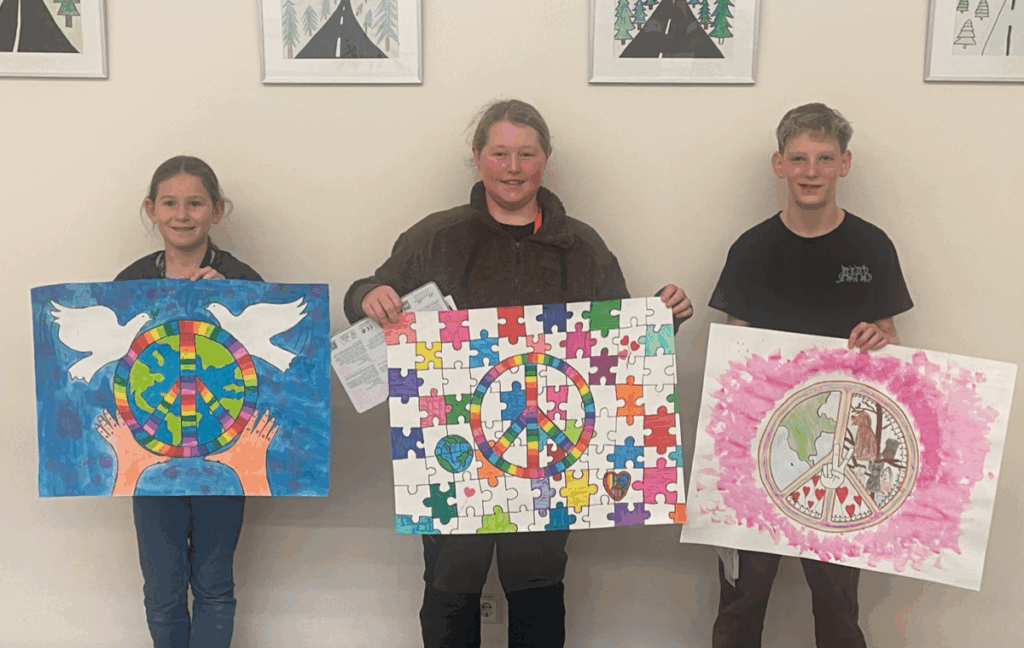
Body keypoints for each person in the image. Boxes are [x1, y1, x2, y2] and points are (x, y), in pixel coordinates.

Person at [344, 99, 693, 648]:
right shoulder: (434, 237)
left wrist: (662, 320)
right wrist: (368, 295)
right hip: (452, 449)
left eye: (526, 154)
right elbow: (364, 298)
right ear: (477, 156)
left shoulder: (583, 245)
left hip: (549, 454)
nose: (513, 168)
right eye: (500, 153)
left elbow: (619, 346)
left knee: (537, 588)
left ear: (546, 158)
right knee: (450, 587)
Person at [708, 103, 914, 648]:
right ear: (779, 164)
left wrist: (879, 339)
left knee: (838, 604)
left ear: (844, 164)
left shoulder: (872, 246)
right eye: (798, 159)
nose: (811, 171)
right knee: (742, 601)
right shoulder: (751, 249)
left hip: (845, 456)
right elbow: (733, 355)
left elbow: (891, 341)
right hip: (759, 453)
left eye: (824, 158)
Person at [114, 155, 263, 648]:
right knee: (162, 589)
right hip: (150, 458)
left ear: (217, 210)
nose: (182, 214)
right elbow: (112, 373)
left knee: (215, 584)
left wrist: (237, 303)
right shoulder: (129, 284)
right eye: (170, 203)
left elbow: (273, 374)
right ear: (151, 210)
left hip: (223, 457)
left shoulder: (242, 279)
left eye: (195, 203)